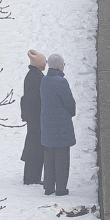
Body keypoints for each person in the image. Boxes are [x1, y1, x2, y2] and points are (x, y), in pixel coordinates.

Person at [39, 53, 76, 196]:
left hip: (47, 124)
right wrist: (71, 112)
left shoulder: (44, 81)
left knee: (49, 158)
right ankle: (60, 189)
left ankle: (48, 187)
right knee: (62, 159)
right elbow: (69, 103)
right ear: (60, 66)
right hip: (61, 126)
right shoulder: (61, 82)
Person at [20, 49, 46, 185]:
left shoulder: (31, 75)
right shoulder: (37, 78)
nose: (45, 64)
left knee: (32, 144)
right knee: (35, 146)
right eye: (44, 62)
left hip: (32, 116)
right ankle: (32, 177)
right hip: (36, 117)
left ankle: (31, 176)